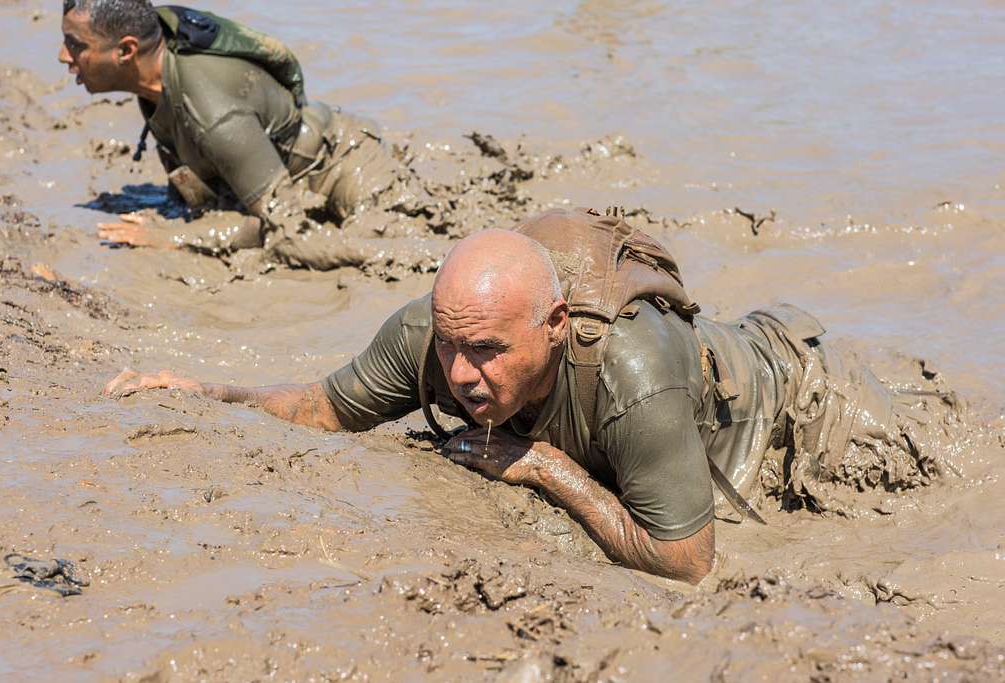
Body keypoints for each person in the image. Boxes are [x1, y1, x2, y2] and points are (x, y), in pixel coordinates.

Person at [104, 209, 959, 584]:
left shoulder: (632, 373)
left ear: (553, 323)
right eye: (451, 348)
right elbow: (326, 408)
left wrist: (551, 470)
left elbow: (689, 562)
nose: (463, 373)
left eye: (486, 351)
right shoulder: (435, 335)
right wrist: (204, 390)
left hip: (798, 394)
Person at [59, 0, 444, 271]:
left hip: (349, 169)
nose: (63, 56)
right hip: (283, 165)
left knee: (390, 249)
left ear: (126, 51)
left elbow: (285, 231)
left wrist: (173, 236)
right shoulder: (160, 61)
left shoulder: (212, 112)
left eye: (76, 45)